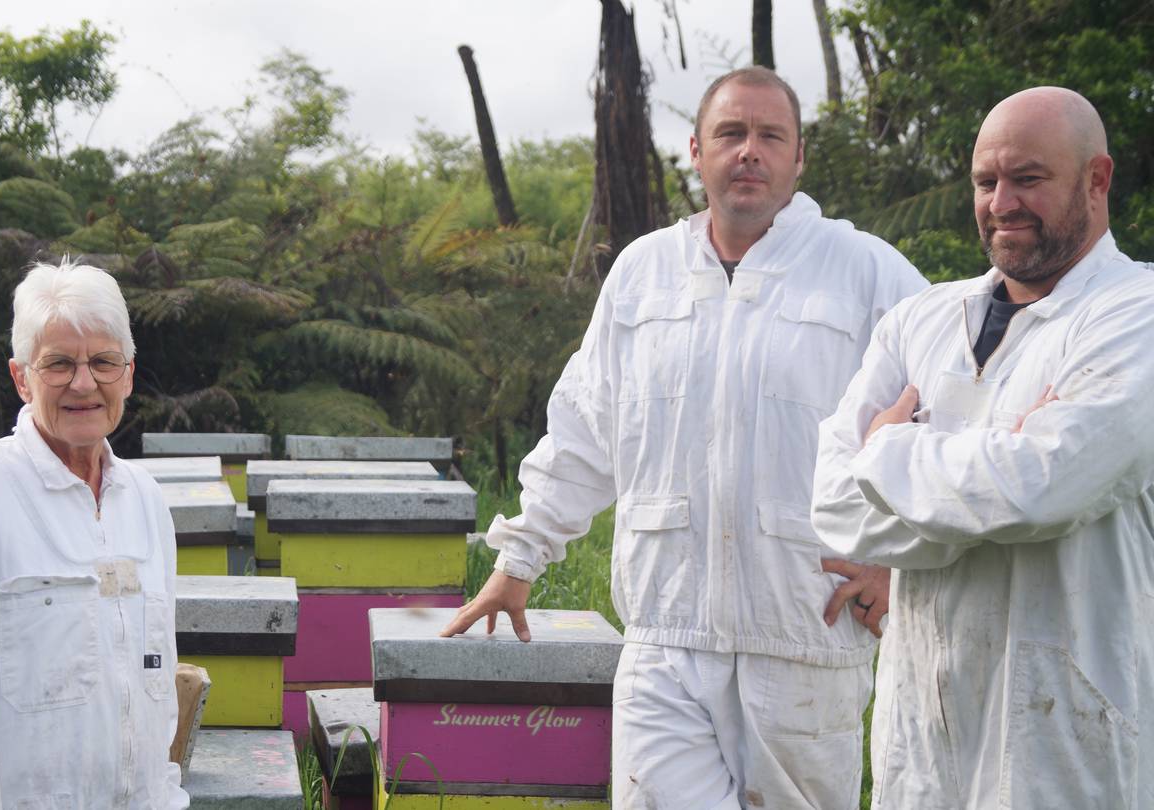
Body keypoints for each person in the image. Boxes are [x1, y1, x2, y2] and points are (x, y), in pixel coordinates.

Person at [441, 67, 927, 808]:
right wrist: (520, 555)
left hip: (804, 639)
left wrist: (901, 567)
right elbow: (586, 425)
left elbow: (948, 415)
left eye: (771, 136)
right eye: (731, 134)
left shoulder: (866, 271)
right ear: (696, 152)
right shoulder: (642, 275)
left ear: (799, 158)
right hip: (665, 636)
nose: (749, 152)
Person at [811, 87, 1154, 808]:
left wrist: (885, 452)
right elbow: (834, 508)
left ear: (1097, 179)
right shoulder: (919, 320)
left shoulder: (1136, 315)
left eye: (1028, 178)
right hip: (921, 750)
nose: (1001, 202)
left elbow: (1042, 488)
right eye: (985, 181)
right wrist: (981, 488)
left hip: (1066, 749)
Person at [0, 261, 187, 809]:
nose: (83, 384)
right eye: (58, 364)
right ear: (21, 378)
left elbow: (159, 687)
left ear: (128, 374)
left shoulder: (146, 499)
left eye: (103, 362)